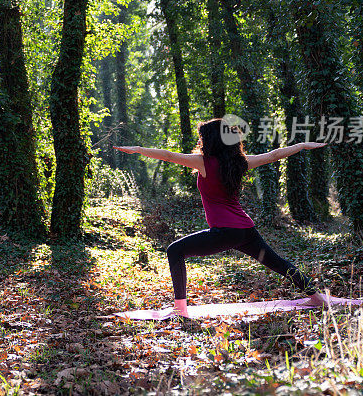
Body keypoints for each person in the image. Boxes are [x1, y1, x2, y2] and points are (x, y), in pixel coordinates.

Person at [114, 117, 331, 317]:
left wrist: (139, 149)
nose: (200, 141)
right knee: (278, 263)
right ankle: (317, 298)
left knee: (175, 250)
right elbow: (274, 155)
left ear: (210, 140)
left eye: (202, 137)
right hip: (246, 230)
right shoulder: (240, 162)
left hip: (225, 232)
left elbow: (169, 156)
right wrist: (301, 146)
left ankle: (180, 309)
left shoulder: (203, 162)